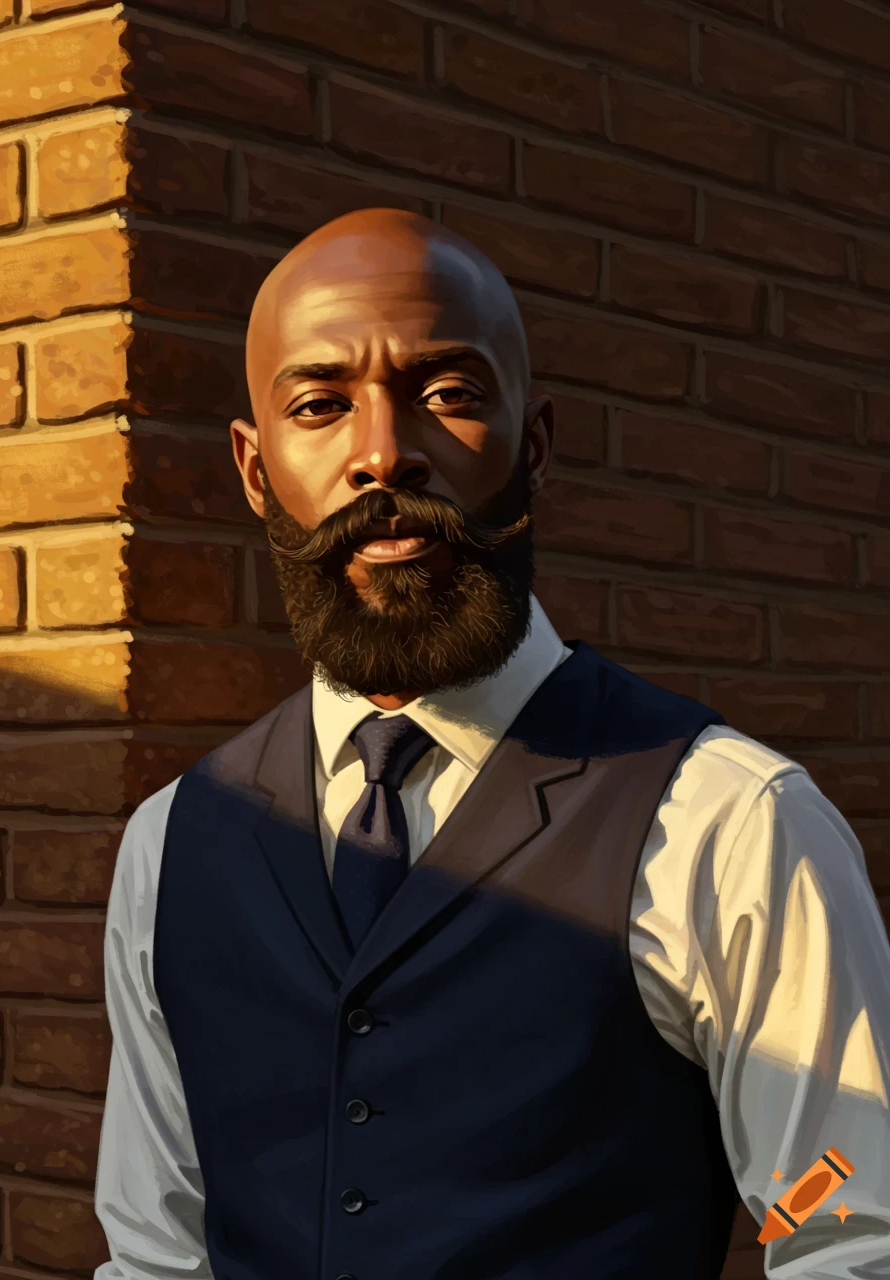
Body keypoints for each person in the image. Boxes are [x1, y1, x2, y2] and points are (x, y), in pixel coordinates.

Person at [93, 208, 890, 1280]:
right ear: (251, 467)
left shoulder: (730, 820)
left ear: (534, 441)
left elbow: (847, 1231)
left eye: (447, 394)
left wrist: (813, 1219)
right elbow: (153, 1254)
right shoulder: (172, 844)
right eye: (320, 404)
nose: (383, 452)